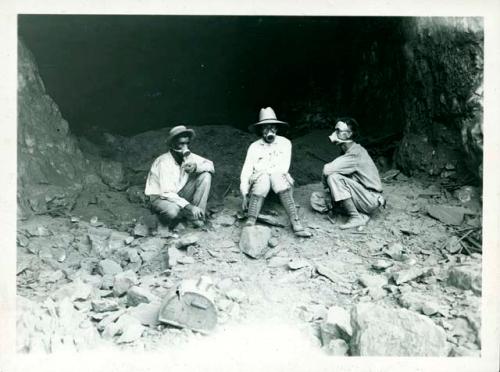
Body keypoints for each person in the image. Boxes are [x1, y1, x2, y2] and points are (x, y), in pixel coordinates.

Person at [240, 107, 312, 238]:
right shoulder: (254, 147)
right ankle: (251, 218)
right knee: (262, 179)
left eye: (272, 127)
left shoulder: (285, 143)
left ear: (277, 129)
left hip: (279, 183)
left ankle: (295, 221)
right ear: (261, 130)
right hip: (260, 186)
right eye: (265, 128)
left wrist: (263, 172)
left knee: (276, 175)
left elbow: (283, 168)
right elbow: (246, 170)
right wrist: (244, 193)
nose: (269, 131)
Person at [320, 117, 386, 229]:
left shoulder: (355, 153)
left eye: (338, 131)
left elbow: (327, 170)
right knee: (316, 199)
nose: (334, 133)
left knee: (334, 178)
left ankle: (355, 217)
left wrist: (328, 184)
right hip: (360, 194)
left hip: (369, 198)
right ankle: (362, 215)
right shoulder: (348, 151)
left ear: (349, 134)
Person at [145, 125, 214, 228]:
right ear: (173, 143)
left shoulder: (188, 157)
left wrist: (196, 167)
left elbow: (210, 165)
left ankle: (196, 218)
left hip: (178, 193)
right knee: (173, 211)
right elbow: (167, 192)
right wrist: (190, 207)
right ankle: (162, 221)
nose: (185, 147)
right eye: (181, 144)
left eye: (187, 143)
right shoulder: (163, 162)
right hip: (161, 197)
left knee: (206, 176)